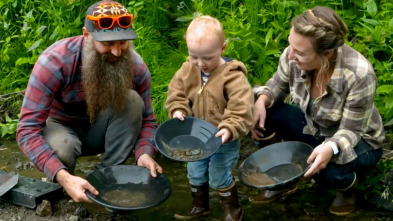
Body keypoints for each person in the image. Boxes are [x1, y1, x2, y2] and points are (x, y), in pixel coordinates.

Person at [16, 0, 162, 203]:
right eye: (108, 43)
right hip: (61, 129)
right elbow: (27, 129)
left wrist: (144, 153)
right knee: (63, 149)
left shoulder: (136, 67)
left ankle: (105, 180)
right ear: (87, 35)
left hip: (101, 130)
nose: (117, 52)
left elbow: (148, 121)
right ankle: (65, 183)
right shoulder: (55, 62)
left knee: (132, 100)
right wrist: (64, 177)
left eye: (122, 42)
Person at [251, 6, 385, 215]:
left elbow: (351, 131)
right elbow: (277, 84)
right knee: (263, 108)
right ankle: (283, 178)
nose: (290, 55)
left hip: (358, 140)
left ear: (327, 52)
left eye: (301, 53)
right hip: (315, 127)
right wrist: (262, 99)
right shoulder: (293, 54)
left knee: (330, 172)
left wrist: (330, 148)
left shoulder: (360, 75)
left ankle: (348, 190)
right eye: (290, 46)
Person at [165, 16, 253, 221]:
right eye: (194, 56)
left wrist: (230, 128)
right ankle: (199, 206)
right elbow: (176, 94)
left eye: (207, 58)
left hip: (223, 137)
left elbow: (241, 107)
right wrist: (178, 110)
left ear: (222, 48)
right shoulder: (187, 70)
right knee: (194, 171)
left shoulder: (233, 76)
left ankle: (233, 210)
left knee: (218, 173)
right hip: (195, 135)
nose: (201, 63)